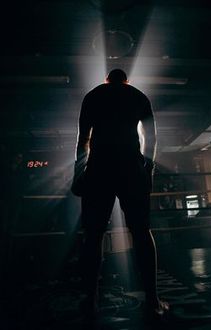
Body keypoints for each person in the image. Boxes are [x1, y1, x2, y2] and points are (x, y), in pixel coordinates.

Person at [71, 69, 169, 322]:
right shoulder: (138, 96)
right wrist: (148, 170)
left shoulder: (93, 96)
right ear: (126, 80)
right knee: (141, 232)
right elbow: (151, 138)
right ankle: (153, 300)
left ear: (107, 80)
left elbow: (83, 139)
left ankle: (90, 301)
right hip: (130, 168)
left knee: (93, 235)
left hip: (98, 168)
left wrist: (77, 174)